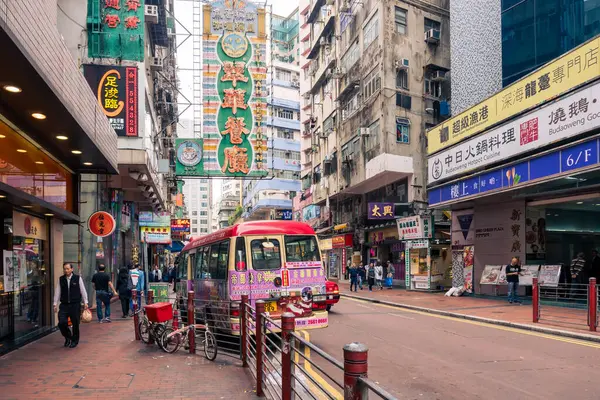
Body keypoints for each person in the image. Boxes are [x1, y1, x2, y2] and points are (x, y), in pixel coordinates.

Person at [53, 263, 88, 348]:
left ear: (72, 269)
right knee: (61, 323)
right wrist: (55, 303)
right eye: (64, 269)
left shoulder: (77, 278)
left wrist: (86, 301)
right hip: (64, 305)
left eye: (68, 269)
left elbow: (83, 290)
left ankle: (74, 341)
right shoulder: (61, 279)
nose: (66, 270)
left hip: (75, 305)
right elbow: (58, 291)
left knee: (75, 324)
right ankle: (68, 337)